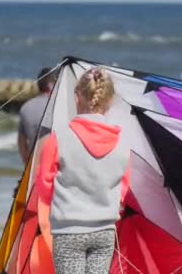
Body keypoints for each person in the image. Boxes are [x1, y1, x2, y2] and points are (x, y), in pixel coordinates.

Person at [35, 67, 128, 274]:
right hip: (104, 229)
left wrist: (61, 202)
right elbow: (122, 187)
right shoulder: (121, 141)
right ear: (110, 100)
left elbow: (44, 183)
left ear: (77, 97)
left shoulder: (60, 138)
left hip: (69, 229)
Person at [17, 67, 58, 163]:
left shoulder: (26, 107)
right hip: (55, 166)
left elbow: (21, 142)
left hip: (35, 165)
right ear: (50, 85)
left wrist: (28, 165)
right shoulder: (58, 105)